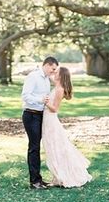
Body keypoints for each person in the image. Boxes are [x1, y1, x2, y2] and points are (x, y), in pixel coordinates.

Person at [42, 66, 92, 188]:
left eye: (57, 72)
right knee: (51, 147)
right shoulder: (57, 84)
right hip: (46, 119)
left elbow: (54, 109)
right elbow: (51, 77)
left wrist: (46, 102)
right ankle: (57, 177)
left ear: (61, 75)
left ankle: (63, 176)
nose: (54, 72)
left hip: (51, 120)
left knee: (55, 147)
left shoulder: (60, 89)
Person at [21, 56, 59, 190]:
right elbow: (25, 96)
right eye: (53, 69)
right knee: (34, 147)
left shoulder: (46, 79)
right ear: (47, 65)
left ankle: (39, 179)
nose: (54, 72)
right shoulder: (33, 76)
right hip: (31, 115)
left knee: (38, 147)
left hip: (40, 115)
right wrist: (40, 99)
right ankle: (34, 181)